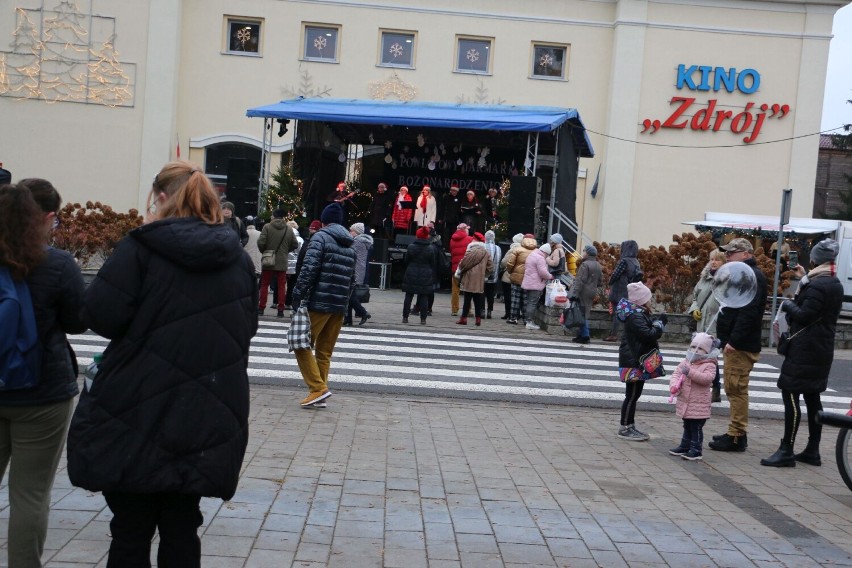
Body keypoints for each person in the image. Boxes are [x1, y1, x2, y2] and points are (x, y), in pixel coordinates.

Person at [66, 161, 258, 567]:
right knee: (182, 524)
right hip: (206, 408)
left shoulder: (141, 247)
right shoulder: (237, 259)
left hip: (135, 405)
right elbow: (246, 328)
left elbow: (100, 315)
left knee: (131, 527)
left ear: (162, 198)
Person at [0, 181, 86, 568]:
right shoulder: (58, 263)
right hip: (43, 392)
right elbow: (77, 321)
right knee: (30, 494)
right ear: (45, 219)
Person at [760, 238, 843, 468]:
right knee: (812, 396)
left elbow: (806, 315)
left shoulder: (818, 285)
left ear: (817, 258)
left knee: (791, 393)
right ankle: (812, 450)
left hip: (806, 348)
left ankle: (787, 448)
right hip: (820, 348)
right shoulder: (831, 282)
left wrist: (788, 305)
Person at [290, 202, 356, 408]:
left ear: (324, 221)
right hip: (339, 305)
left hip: (318, 301)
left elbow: (308, 270)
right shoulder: (350, 244)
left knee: (300, 343)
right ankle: (319, 393)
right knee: (324, 352)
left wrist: (297, 295)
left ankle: (318, 388)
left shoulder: (320, 238)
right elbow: (353, 279)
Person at [709, 237, 768, 453]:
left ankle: (736, 436)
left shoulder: (753, 276)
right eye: (726, 253)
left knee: (736, 388)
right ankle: (735, 432)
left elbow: (749, 312)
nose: (727, 256)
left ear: (745, 254)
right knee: (733, 387)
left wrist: (733, 340)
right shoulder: (741, 273)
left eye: (731, 253)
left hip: (740, 344)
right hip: (735, 342)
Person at [616, 282, 666, 441]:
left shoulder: (636, 313)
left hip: (634, 358)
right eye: (648, 298)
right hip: (634, 360)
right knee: (632, 395)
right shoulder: (636, 315)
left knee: (633, 395)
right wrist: (660, 324)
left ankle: (629, 425)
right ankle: (625, 427)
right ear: (641, 300)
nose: (650, 301)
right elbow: (648, 335)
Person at [668, 332, 718, 461]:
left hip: (698, 403)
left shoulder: (710, 364)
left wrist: (690, 372)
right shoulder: (686, 361)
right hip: (686, 401)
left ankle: (696, 449)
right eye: (693, 347)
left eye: (700, 348)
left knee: (696, 427)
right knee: (687, 425)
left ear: (707, 351)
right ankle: (685, 445)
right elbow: (676, 374)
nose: (695, 350)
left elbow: (707, 379)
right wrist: (674, 385)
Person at [687, 250, 726, 402]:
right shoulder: (704, 279)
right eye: (712, 259)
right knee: (702, 356)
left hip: (716, 323)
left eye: (717, 259)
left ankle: (714, 388)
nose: (714, 262)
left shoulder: (726, 281)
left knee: (710, 357)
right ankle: (711, 387)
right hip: (701, 323)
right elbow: (695, 297)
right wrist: (695, 309)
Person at [257, 208, 298, 318]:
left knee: (265, 284)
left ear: (274, 216)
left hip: (268, 259)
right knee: (281, 286)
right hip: (282, 260)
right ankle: (280, 309)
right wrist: (285, 251)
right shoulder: (288, 229)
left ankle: (261, 307)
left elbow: (261, 242)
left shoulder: (267, 227)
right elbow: (295, 244)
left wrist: (265, 251)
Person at [402, 226, 442, 325]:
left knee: (408, 296)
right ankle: (423, 319)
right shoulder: (430, 248)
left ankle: (405, 317)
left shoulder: (411, 246)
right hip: (426, 274)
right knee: (424, 296)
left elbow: (406, 261)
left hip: (411, 272)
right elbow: (432, 263)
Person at [605, 240, 641, 342]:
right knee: (628, 313)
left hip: (619, 290)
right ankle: (629, 335)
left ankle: (613, 334)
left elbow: (615, 275)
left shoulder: (623, 261)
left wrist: (609, 282)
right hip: (630, 290)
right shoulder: (636, 262)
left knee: (617, 313)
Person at [456, 233, 493, 326]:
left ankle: (463, 318)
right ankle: (478, 319)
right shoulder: (486, 252)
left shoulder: (470, 250)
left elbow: (463, 264)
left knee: (467, 300)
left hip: (468, 278)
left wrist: (460, 272)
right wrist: (485, 275)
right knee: (478, 300)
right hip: (479, 279)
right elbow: (490, 267)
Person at [569, 245, 603, 344]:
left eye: (584, 251)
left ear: (587, 253)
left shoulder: (585, 265)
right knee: (584, 312)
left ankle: (585, 335)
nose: (583, 253)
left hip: (583, 291)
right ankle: (580, 335)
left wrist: (575, 293)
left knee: (581, 313)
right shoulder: (598, 265)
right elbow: (601, 281)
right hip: (592, 291)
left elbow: (580, 281)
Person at [344, 223, 372, 327]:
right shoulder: (362, 241)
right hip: (358, 270)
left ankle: (363, 313)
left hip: (354, 271)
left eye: (351, 231)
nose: (349, 232)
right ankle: (348, 319)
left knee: (349, 295)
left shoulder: (357, 241)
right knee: (350, 294)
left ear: (357, 232)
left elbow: (348, 253)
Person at [505, 234, 537, 325]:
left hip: (516, 277)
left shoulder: (517, 250)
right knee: (526, 300)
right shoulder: (536, 251)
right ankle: (525, 319)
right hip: (529, 278)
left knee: (515, 298)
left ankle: (513, 318)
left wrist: (511, 272)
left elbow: (510, 263)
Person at [521, 242, 553, 330]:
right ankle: (529, 322)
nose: (547, 256)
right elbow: (543, 272)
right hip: (535, 284)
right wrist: (550, 276)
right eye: (547, 254)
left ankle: (527, 320)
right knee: (532, 303)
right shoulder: (540, 258)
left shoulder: (532, 255)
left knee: (529, 302)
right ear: (546, 252)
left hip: (528, 282)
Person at [448, 223, 473, 316]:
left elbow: (451, 251)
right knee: (468, 290)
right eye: (467, 229)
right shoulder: (469, 239)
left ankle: (454, 310)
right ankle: (468, 310)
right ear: (464, 230)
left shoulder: (452, 239)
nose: (468, 230)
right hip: (466, 268)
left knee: (455, 290)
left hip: (455, 268)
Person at [500, 233, 524, 319]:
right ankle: (516, 313)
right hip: (520, 276)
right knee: (518, 296)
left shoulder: (512, 249)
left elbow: (504, 262)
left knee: (507, 296)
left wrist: (503, 267)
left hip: (508, 276)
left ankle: (508, 313)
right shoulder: (524, 250)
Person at [284, 220, 304, 309]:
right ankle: (290, 302)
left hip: (284, 263)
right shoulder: (300, 239)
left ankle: (277, 301)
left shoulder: (284, 237)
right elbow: (302, 252)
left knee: (280, 284)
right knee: (292, 284)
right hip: (295, 264)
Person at [483, 230, 502, 318]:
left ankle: (482, 310)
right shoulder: (498, 248)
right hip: (494, 275)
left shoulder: (482, 247)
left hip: (483, 274)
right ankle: (489, 311)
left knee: (481, 293)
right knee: (491, 294)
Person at [439, 183, 462, 249]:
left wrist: (459, 219)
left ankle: (452, 247)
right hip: (447, 219)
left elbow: (460, 210)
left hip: (455, 220)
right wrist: (441, 218)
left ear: (457, 191)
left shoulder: (459, 198)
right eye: (452, 191)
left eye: (454, 191)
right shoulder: (447, 197)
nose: (453, 192)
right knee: (446, 234)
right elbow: (442, 208)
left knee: (453, 234)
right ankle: (445, 246)